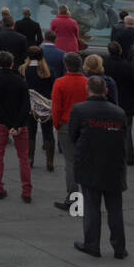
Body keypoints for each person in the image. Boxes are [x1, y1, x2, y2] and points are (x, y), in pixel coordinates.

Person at [70, 76, 128, 259]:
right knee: (115, 209)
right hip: (114, 165)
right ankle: (119, 248)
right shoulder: (119, 112)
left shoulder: (79, 109)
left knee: (92, 207)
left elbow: (73, 135)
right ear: (106, 90)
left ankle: (92, 244)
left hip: (89, 163)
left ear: (88, 89)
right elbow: (123, 137)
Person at [0, 51, 32, 203]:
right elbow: (26, 104)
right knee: (23, 158)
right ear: (12, 63)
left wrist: (7, 124)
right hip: (20, 124)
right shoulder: (20, 80)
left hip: (1, 123)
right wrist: (17, 124)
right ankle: (26, 191)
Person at [50, 53, 88, 210]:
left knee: (70, 162)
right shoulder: (87, 82)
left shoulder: (60, 82)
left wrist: (57, 124)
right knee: (86, 161)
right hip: (86, 125)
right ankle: (89, 197)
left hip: (67, 124)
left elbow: (56, 107)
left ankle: (73, 198)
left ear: (66, 65)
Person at [21, 46, 55, 172]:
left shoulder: (23, 70)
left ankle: (30, 158)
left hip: (30, 105)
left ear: (28, 56)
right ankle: (50, 161)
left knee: (31, 132)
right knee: (48, 133)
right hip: (45, 105)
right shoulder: (48, 71)